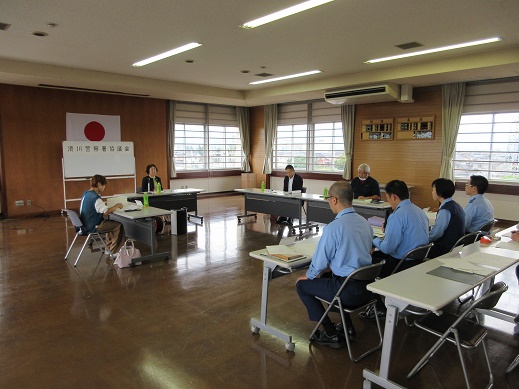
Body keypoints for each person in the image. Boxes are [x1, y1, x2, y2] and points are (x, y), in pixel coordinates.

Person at [296, 181, 374, 348]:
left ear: (335, 200)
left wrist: (307, 275)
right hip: (367, 289)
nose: (328, 201)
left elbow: (319, 261)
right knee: (326, 275)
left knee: (302, 286)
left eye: (328, 198)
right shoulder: (364, 223)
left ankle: (330, 333)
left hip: (346, 290)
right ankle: (348, 328)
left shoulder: (334, 228)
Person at [360, 180, 429, 320]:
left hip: (401, 263)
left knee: (364, 266)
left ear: (394, 196)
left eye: (387, 197)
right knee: (377, 255)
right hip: (418, 261)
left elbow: (388, 247)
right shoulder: (419, 210)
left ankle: (379, 308)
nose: (388, 201)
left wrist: (373, 239)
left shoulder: (397, 215)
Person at [79, 174, 126, 256]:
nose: (104, 187)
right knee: (118, 225)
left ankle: (109, 248)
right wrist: (117, 205)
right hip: (93, 225)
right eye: (104, 185)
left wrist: (103, 204)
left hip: (84, 224)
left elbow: (95, 207)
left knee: (110, 223)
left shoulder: (86, 193)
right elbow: (106, 211)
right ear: (99, 184)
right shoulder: (95, 197)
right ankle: (115, 251)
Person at [427, 178, 465, 258]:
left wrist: (424, 238)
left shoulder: (445, 210)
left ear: (440, 192)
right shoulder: (455, 205)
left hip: (445, 248)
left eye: (433, 189)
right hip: (456, 245)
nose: (432, 192)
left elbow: (436, 234)